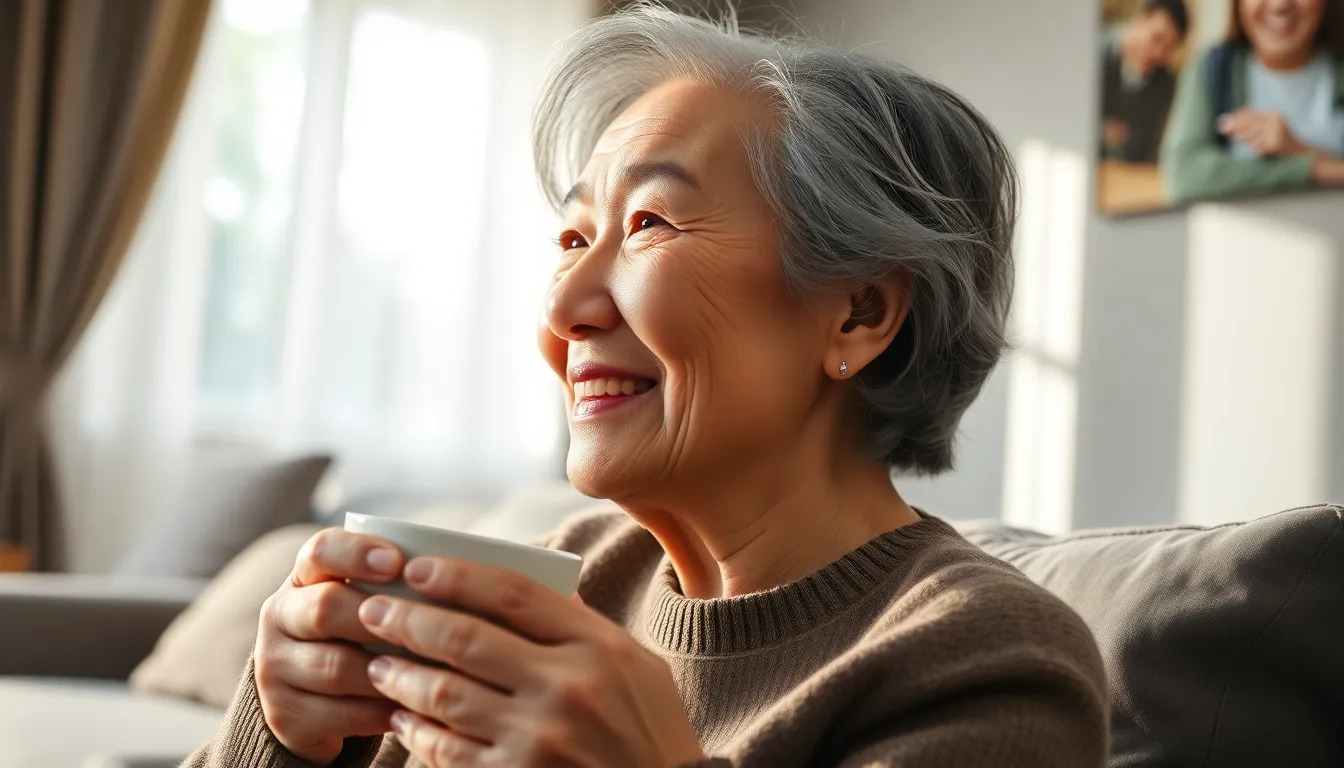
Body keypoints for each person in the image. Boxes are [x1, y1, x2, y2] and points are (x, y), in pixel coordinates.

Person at [184, 6, 1107, 767]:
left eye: (653, 221)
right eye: (576, 239)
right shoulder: (578, 571)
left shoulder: (986, 660)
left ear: (860, 314)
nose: (568, 307)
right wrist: (283, 731)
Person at [1161, 0, 1344, 203]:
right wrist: (1312, 169)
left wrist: (1298, 149)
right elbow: (1185, 179)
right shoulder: (1213, 70)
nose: (1279, 5)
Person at [1101, 0, 1191, 163]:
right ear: (1140, 19)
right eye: (1157, 38)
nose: (1158, 53)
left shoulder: (1165, 84)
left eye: (1168, 48)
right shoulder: (1092, 54)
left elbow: (1148, 147)